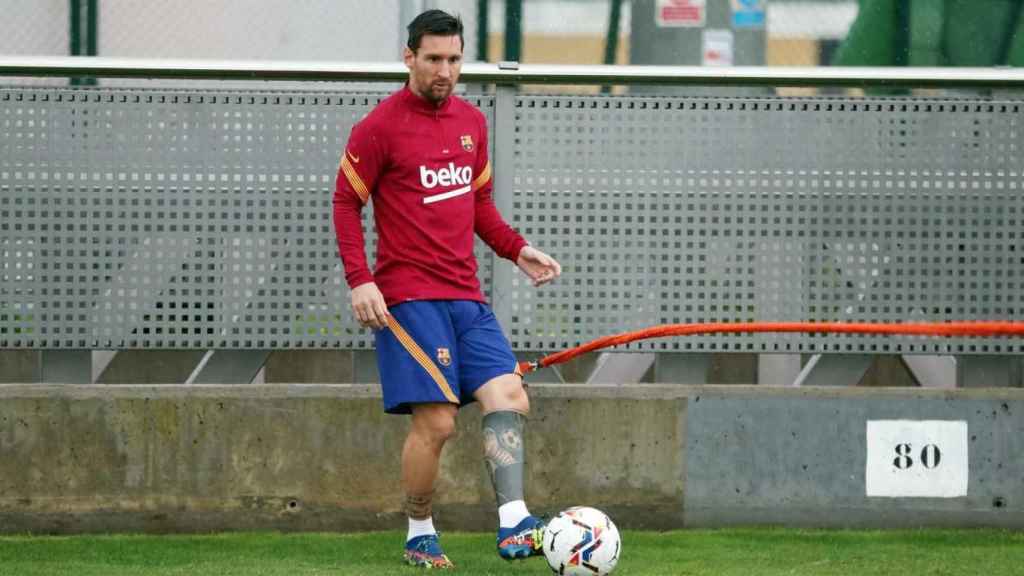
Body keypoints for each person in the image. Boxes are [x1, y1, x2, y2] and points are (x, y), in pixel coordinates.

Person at [332, 9, 562, 570]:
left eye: (454, 60)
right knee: (436, 423)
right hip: (408, 299)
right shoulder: (379, 127)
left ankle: (514, 527)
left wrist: (516, 249)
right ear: (409, 58)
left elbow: (479, 206)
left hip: (467, 297)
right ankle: (418, 531)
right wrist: (361, 281)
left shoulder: (472, 123)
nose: (445, 70)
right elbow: (345, 202)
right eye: (433, 59)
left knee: (511, 397)